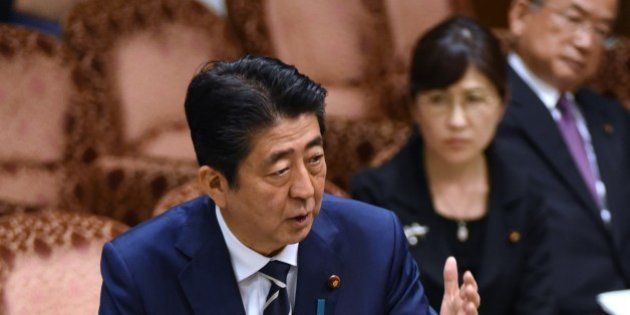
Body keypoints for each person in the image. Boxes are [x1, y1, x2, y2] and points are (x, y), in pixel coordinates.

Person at [98, 55, 481, 315]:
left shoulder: (376, 242)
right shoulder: (140, 271)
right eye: (279, 171)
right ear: (216, 184)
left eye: (314, 160)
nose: (307, 190)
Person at [351, 17, 554, 314]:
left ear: (502, 104)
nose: (457, 121)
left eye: (474, 99)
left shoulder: (528, 194)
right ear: (414, 107)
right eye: (438, 100)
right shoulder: (374, 196)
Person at [496, 0, 630, 313]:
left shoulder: (611, 116)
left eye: (601, 30)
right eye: (573, 18)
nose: (585, 42)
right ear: (519, 16)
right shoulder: (482, 113)